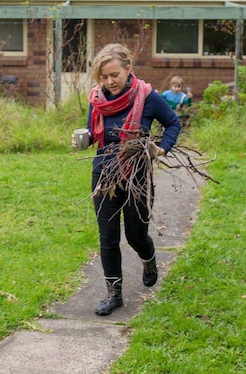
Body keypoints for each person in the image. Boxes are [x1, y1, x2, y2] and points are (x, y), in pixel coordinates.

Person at [72, 43, 181, 316]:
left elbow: (173, 123)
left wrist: (161, 149)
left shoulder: (147, 97)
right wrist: (81, 140)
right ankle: (114, 293)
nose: (109, 82)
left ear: (127, 70)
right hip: (104, 175)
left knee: (135, 234)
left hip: (137, 176)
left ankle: (148, 258)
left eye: (114, 75)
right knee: (107, 237)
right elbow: (92, 130)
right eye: (104, 77)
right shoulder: (97, 99)